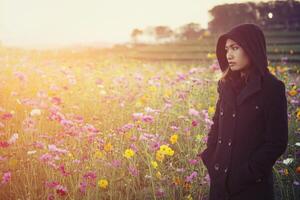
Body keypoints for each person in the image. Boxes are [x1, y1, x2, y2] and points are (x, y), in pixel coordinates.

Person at [198, 23, 288, 200]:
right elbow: (217, 125)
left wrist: (246, 174)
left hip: (252, 188)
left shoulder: (272, 88)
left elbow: (276, 142)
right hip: (219, 185)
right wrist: (210, 156)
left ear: (251, 48)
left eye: (235, 48)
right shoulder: (225, 86)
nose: (229, 55)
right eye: (226, 49)